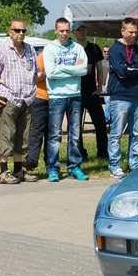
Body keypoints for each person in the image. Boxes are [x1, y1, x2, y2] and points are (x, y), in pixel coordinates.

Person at [0, 19, 40, 184]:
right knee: (7, 135)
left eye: (23, 30)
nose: (21, 33)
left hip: (27, 99)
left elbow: (35, 75)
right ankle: (3, 172)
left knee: (22, 137)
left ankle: (18, 171)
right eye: (17, 30)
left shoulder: (30, 49)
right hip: (8, 98)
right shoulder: (1, 49)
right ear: (10, 32)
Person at [44, 17, 89, 182]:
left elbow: (84, 69)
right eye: (61, 30)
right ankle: (53, 168)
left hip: (75, 95)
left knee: (75, 134)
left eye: (67, 30)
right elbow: (50, 72)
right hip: (57, 96)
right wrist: (73, 69)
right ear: (56, 31)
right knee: (55, 135)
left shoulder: (77, 47)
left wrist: (61, 67)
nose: (64, 34)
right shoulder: (50, 49)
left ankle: (74, 167)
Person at [107, 17, 138, 179]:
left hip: (137, 96)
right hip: (120, 96)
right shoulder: (114, 50)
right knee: (116, 133)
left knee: (136, 133)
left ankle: (135, 163)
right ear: (123, 31)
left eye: (136, 32)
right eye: (131, 32)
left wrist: (134, 68)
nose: (134, 35)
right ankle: (114, 165)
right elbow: (121, 71)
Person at [72, 21, 109, 160]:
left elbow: (100, 68)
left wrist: (99, 88)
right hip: (75, 92)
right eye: (79, 30)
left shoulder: (94, 48)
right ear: (73, 33)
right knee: (76, 126)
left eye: (84, 29)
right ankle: (81, 153)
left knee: (100, 122)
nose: (82, 32)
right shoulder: (72, 48)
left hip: (91, 92)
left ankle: (103, 152)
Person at [24, 51, 49, 171]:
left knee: (52, 133)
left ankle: (51, 162)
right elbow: (35, 77)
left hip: (56, 98)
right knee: (37, 130)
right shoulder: (42, 56)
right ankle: (31, 160)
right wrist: (50, 72)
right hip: (40, 97)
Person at [102, 45, 111, 122]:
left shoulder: (112, 61)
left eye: (108, 52)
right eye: (105, 51)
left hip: (109, 85)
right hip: (101, 84)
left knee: (109, 102)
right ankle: (105, 118)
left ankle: (106, 118)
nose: (106, 53)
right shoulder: (100, 61)